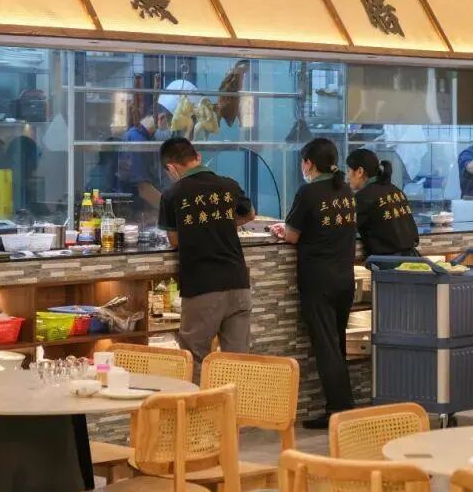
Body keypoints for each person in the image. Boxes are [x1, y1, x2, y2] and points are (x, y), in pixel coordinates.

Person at [271, 138, 356, 429]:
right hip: (344, 279)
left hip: (319, 279)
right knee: (337, 343)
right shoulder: (346, 190)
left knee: (326, 346)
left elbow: (292, 235)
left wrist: (281, 231)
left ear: (309, 163)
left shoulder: (308, 192)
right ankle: (344, 406)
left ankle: (338, 410)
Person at [159, 138, 256, 375]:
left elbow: (174, 240)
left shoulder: (173, 194)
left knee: (194, 360)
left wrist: (200, 228)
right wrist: (223, 223)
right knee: (238, 362)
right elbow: (250, 215)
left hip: (202, 288)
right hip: (238, 284)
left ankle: (198, 402)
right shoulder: (229, 185)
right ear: (198, 157)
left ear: (171, 168)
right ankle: (235, 401)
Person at [346, 148, 420, 259]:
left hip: (388, 263)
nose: (347, 176)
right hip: (413, 258)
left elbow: (347, 229)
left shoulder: (363, 197)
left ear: (359, 172)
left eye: (348, 171)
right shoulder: (396, 191)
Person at [118, 110, 171, 224]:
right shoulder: (138, 141)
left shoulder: (140, 136)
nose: (169, 129)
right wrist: (171, 211)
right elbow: (144, 189)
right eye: (170, 124)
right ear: (161, 119)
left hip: (141, 210)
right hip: (135, 211)